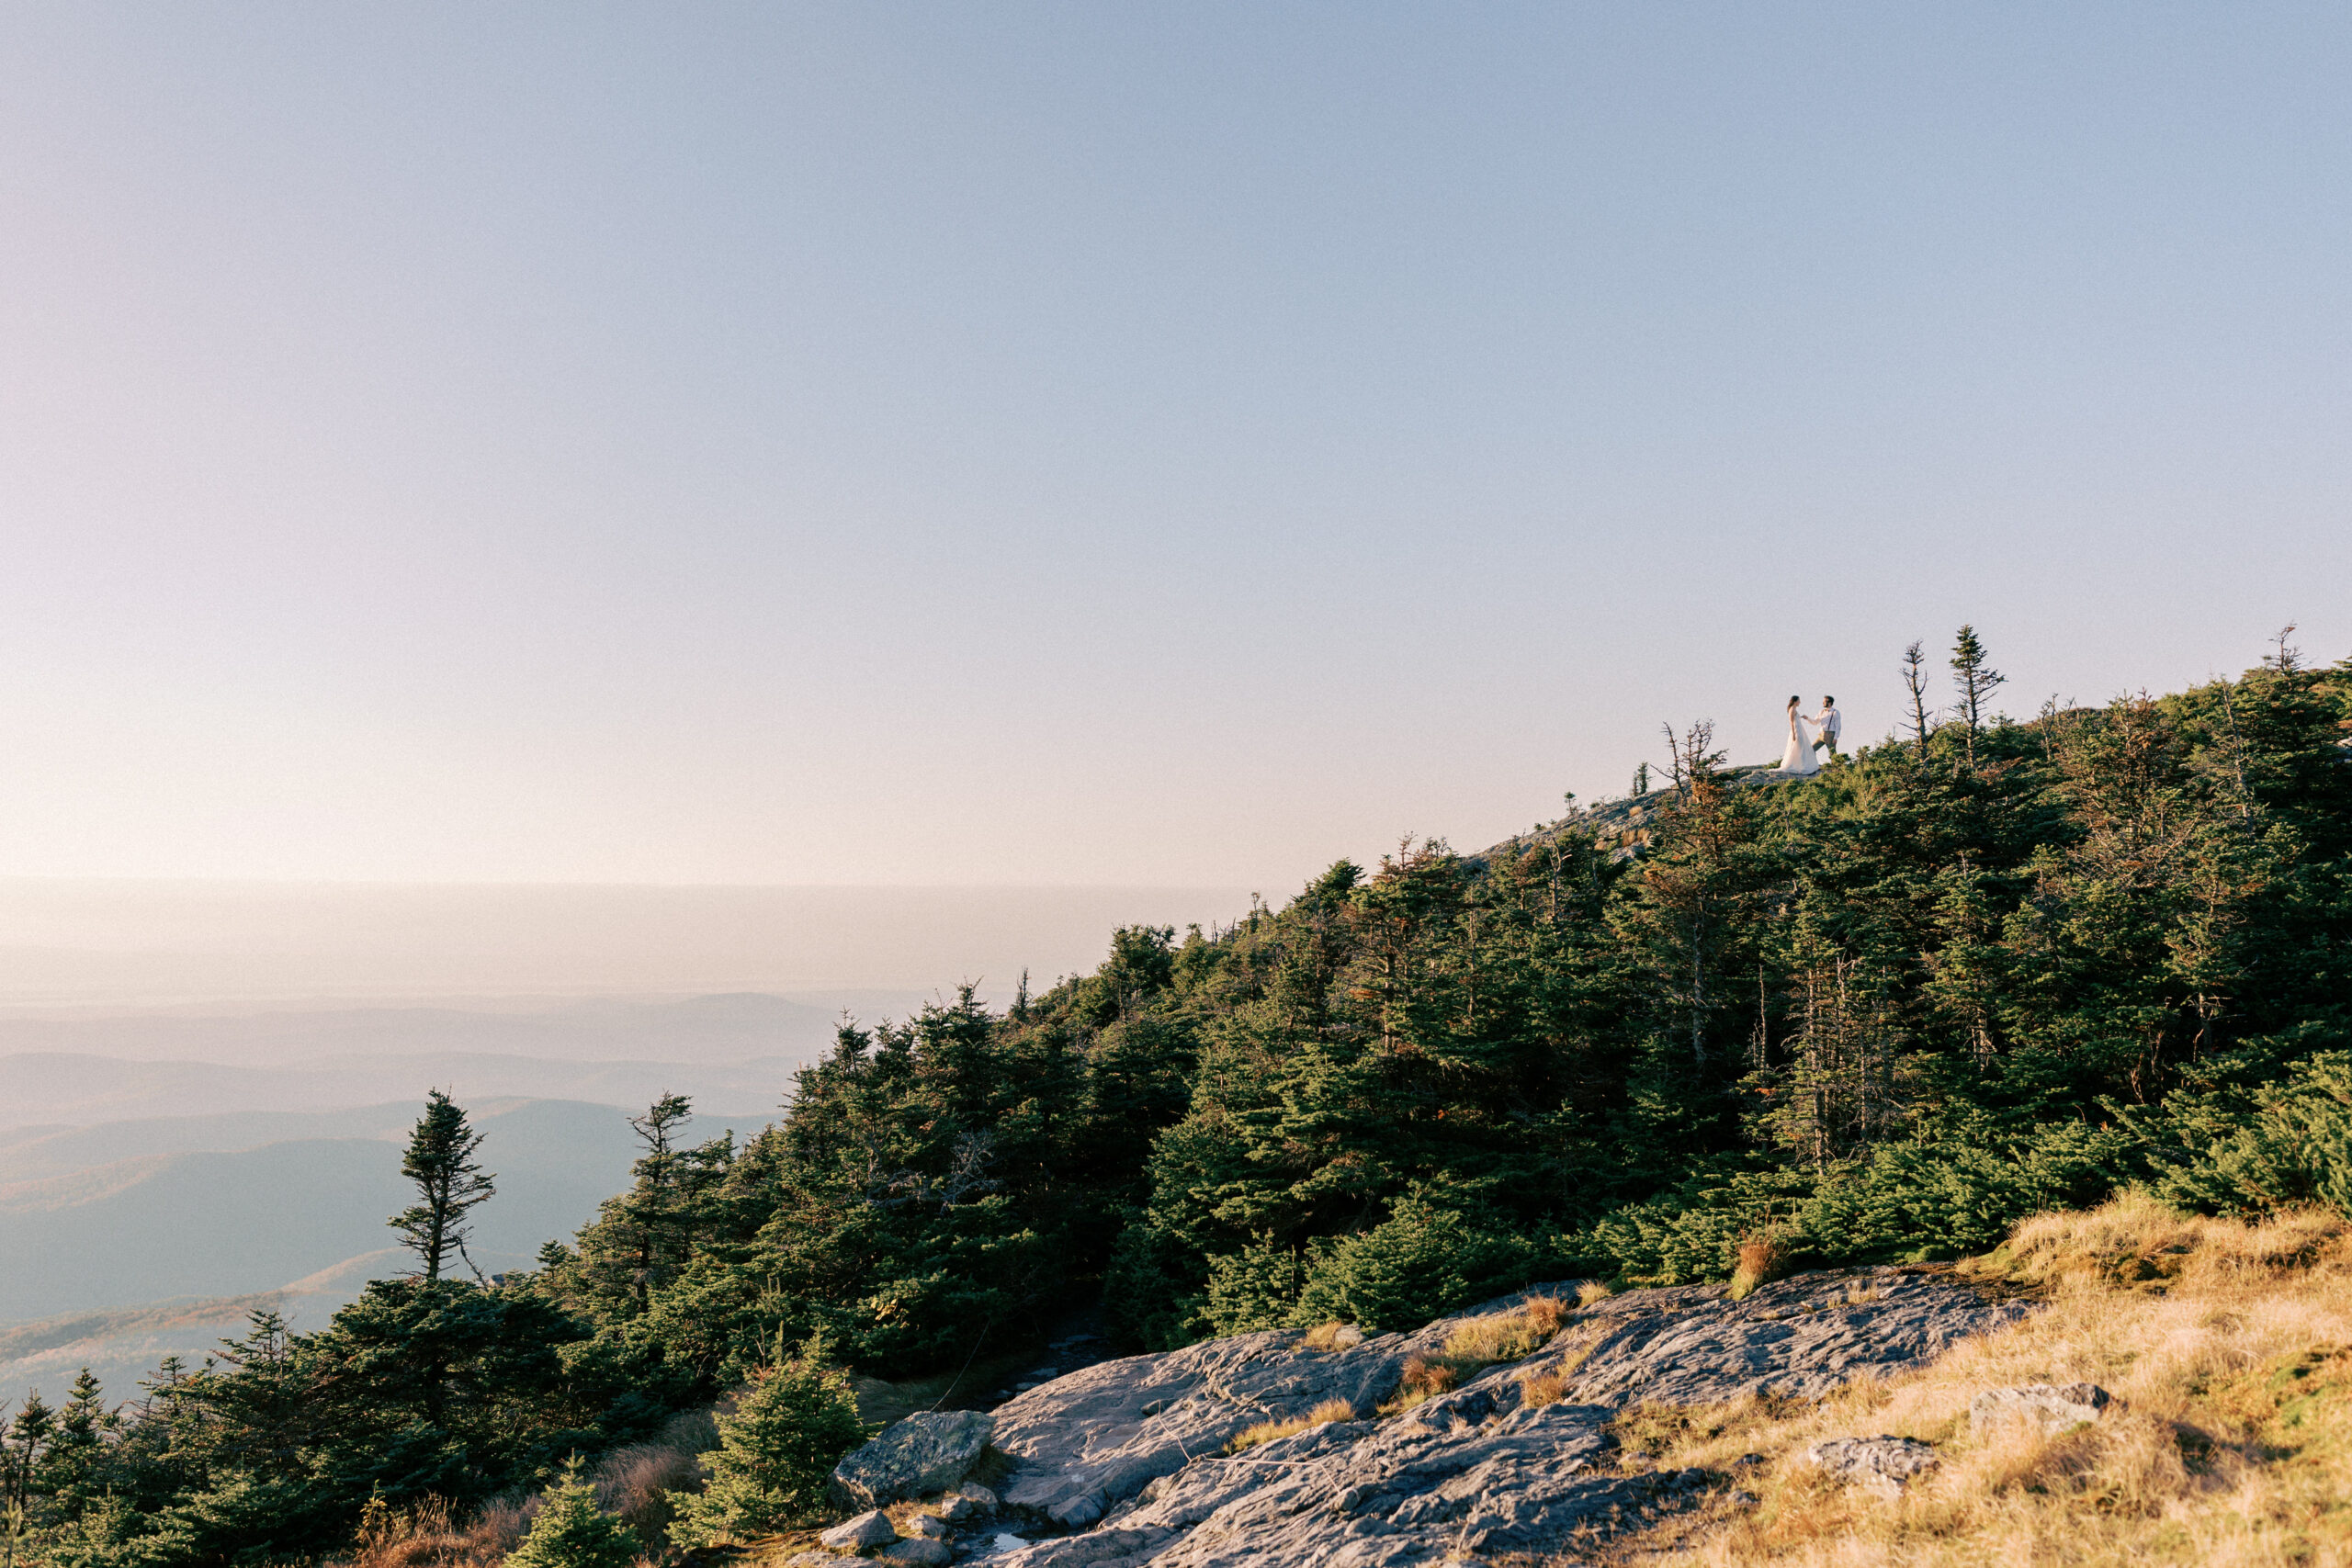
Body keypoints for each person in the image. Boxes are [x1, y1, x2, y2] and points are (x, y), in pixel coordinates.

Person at [1775, 694, 1820, 776]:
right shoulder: (1792, 709)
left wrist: (1802, 717)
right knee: (1800, 747)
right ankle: (1801, 765)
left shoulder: (1794, 709)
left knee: (1801, 747)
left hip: (1799, 729)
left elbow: (1796, 718)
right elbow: (1791, 722)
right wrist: (1793, 733)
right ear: (1795, 701)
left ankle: (1802, 764)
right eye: (1799, 701)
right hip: (1796, 730)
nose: (1800, 702)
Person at [1812, 695, 1841, 759]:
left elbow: (1838, 726)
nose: (1823, 703)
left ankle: (1835, 767)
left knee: (1832, 753)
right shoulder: (1821, 711)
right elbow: (1815, 722)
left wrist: (1835, 737)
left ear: (1829, 703)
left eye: (1824, 701)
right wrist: (1807, 718)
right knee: (1811, 749)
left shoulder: (1835, 712)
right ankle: (1814, 765)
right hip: (1821, 734)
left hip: (1830, 734)